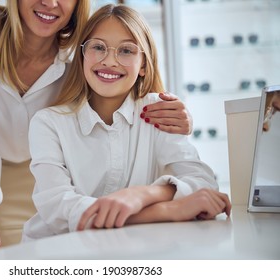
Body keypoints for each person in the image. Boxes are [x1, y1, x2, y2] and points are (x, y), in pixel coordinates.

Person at [0, 0, 192, 256]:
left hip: (64, 171)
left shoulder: (84, 47)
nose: (49, 2)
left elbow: (133, 87)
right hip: (0, 176)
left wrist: (181, 117)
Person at [23, 4, 231, 241]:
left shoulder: (158, 111)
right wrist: (166, 210)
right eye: (98, 47)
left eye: (126, 51)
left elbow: (204, 184)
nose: (110, 61)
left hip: (130, 250)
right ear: (82, 56)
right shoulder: (48, 123)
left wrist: (143, 195)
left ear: (143, 64)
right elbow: (59, 210)